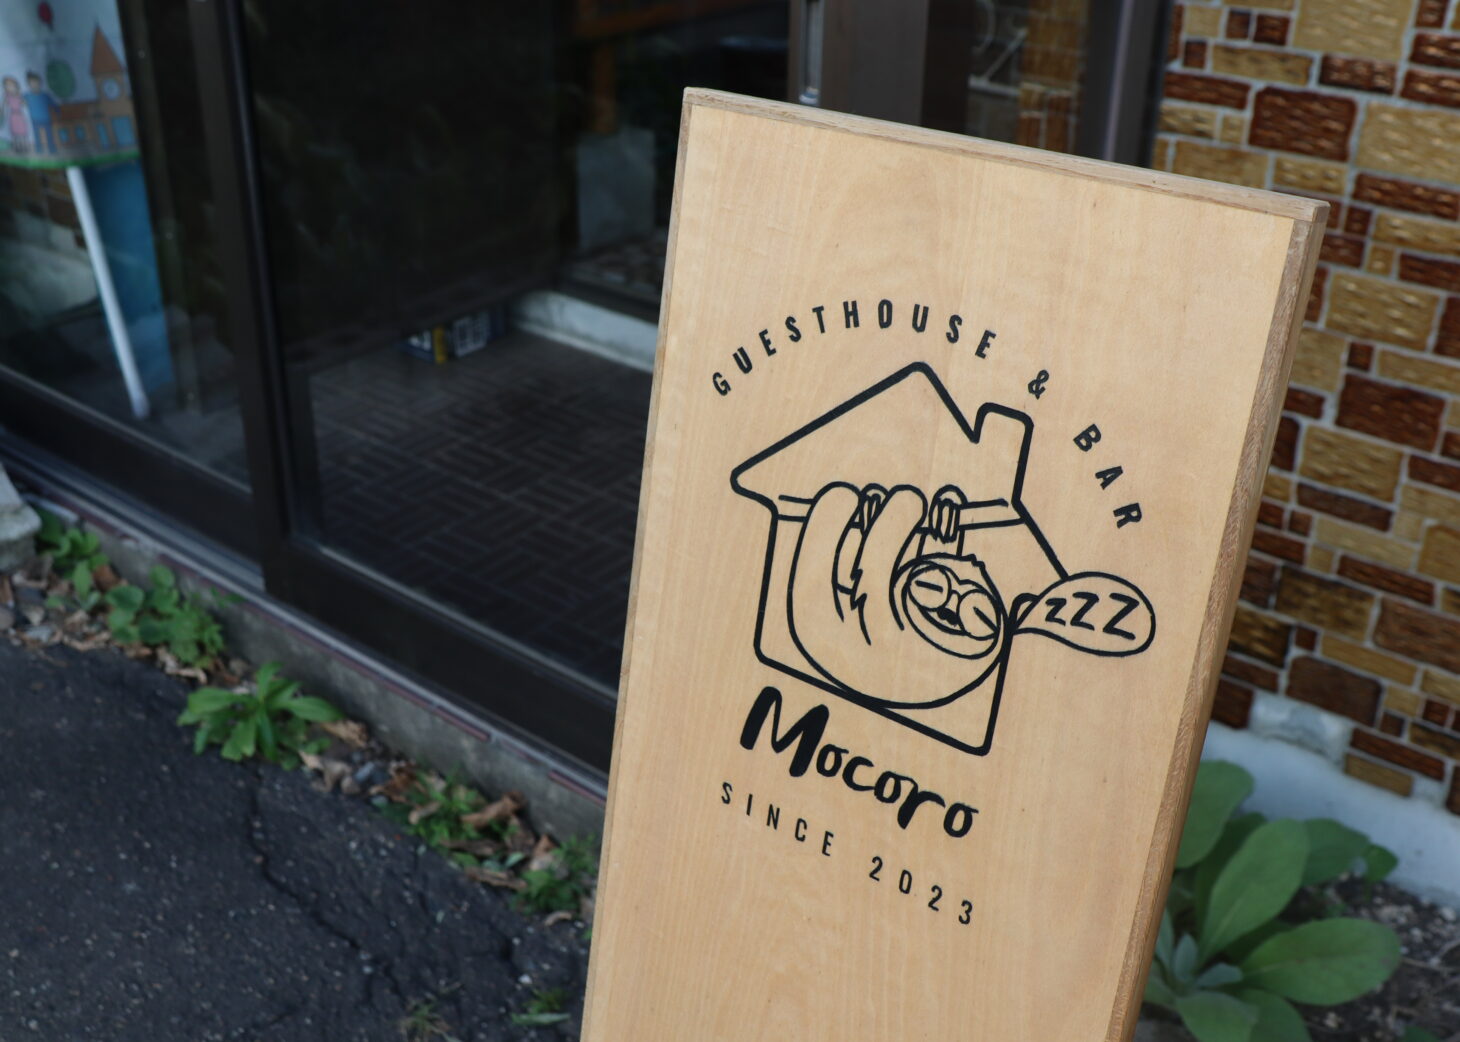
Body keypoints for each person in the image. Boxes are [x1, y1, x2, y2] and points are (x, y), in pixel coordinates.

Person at [23, 72, 58, 155]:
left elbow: (53, 104)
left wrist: (57, 111)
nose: (34, 85)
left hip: (46, 119)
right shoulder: (27, 95)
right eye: (32, 83)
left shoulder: (45, 95)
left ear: (40, 83)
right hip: (35, 120)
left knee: (49, 135)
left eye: (36, 82)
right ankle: (39, 149)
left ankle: (52, 148)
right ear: (28, 84)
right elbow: (20, 102)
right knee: (37, 136)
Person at [2, 77, 27, 155]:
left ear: (16, 86)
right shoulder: (7, 96)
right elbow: (4, 104)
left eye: (11, 85)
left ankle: (23, 147)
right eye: (7, 86)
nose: (9, 87)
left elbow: (24, 104)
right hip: (13, 116)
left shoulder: (19, 96)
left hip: (20, 115)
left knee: (22, 132)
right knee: (15, 132)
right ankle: (17, 147)